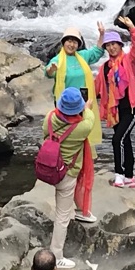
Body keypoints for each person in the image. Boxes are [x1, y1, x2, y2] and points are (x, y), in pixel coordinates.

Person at [44, 30, 102, 222]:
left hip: (82, 106)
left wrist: (102, 34)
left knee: (79, 145)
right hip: (65, 109)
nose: (72, 44)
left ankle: (76, 202)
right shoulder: (57, 59)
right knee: (70, 145)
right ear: (63, 43)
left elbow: (98, 52)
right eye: (69, 41)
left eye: (75, 42)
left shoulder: (82, 56)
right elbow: (48, 72)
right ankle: (67, 175)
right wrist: (52, 70)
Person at [39, 85, 98, 266]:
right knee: (62, 216)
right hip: (67, 173)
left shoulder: (49, 118)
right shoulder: (83, 126)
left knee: (67, 198)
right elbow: (88, 113)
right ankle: (56, 256)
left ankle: (82, 212)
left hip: (49, 168)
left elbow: (45, 134)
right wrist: (86, 106)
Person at [96, 16, 135, 188]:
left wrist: (132, 28)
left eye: (114, 44)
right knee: (125, 140)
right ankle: (130, 176)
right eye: (108, 45)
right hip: (115, 109)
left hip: (131, 107)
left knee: (118, 140)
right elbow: (98, 88)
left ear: (120, 45)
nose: (111, 47)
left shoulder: (129, 60)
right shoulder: (105, 67)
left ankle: (119, 174)